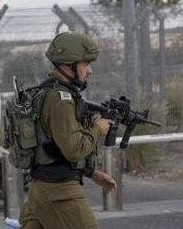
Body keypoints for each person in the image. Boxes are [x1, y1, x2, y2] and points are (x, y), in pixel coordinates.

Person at [20, 32, 117, 229]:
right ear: (69, 65)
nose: (89, 71)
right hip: (59, 192)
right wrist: (97, 129)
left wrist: (91, 172)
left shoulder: (47, 91)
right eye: (85, 64)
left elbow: (53, 148)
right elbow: (73, 149)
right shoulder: (60, 99)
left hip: (42, 189)